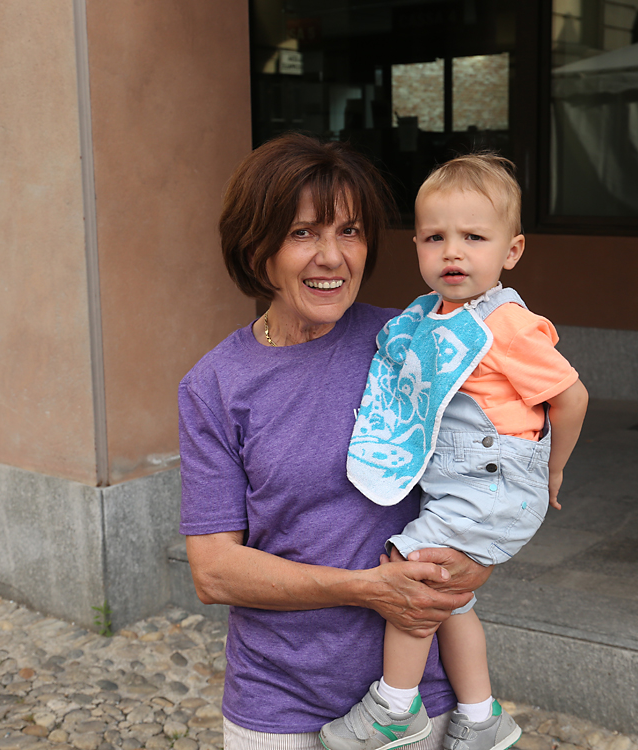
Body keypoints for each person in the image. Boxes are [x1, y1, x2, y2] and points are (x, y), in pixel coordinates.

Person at [179, 133, 494, 750]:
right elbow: (214, 571)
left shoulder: (411, 342)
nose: (332, 257)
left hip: (416, 700)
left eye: (348, 232)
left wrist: (475, 561)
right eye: (303, 234)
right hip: (279, 702)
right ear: (256, 247)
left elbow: (490, 466)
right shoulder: (215, 385)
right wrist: (367, 589)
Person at [325, 154, 590, 750]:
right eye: (435, 237)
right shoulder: (431, 318)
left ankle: (395, 708)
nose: (453, 252)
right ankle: (480, 716)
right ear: (416, 245)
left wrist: (553, 467)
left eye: (474, 237)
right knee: (452, 600)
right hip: (465, 483)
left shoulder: (505, 324)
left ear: (512, 250)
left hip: (493, 481)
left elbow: (571, 398)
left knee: (408, 577)